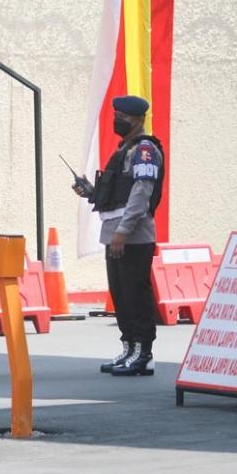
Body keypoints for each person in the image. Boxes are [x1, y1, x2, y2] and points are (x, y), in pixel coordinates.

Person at [74, 95, 164, 376]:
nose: (117, 120)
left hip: (133, 235)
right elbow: (118, 194)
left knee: (136, 293)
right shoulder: (124, 149)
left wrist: (123, 232)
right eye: (116, 115)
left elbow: (141, 193)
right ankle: (128, 347)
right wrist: (91, 192)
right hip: (114, 233)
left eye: (122, 116)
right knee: (121, 295)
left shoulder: (145, 150)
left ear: (138, 119)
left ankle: (143, 353)